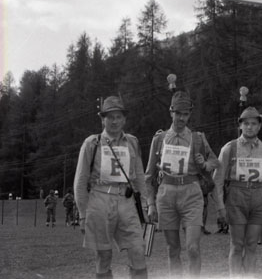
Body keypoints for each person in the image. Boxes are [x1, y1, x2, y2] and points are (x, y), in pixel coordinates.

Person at [146, 91, 220, 277]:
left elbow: (214, 161)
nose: (181, 118)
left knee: (193, 247)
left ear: (190, 114)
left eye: (185, 114)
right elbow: (149, 176)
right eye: (178, 113)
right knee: (173, 249)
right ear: (171, 112)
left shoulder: (197, 138)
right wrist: (150, 204)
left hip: (191, 194)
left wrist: (205, 164)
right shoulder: (159, 139)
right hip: (166, 194)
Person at [73, 96, 148, 278]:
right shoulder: (92, 143)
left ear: (124, 119)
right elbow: (80, 181)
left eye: (118, 117)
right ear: (102, 119)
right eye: (110, 117)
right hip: (99, 201)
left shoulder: (132, 142)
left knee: (138, 250)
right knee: (104, 255)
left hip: (127, 202)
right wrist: (82, 214)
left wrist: (145, 206)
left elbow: (139, 177)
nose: (114, 121)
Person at [214, 106, 262, 278]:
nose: (250, 127)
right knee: (237, 244)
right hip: (236, 195)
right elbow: (218, 180)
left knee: (252, 244)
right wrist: (220, 207)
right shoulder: (229, 148)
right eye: (246, 123)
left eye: (253, 124)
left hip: (259, 196)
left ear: (259, 126)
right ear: (240, 125)